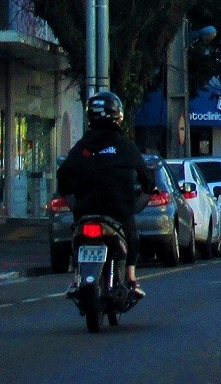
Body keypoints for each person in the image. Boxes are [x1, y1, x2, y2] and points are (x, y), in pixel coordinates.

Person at [57, 91, 153, 300]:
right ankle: (131, 277)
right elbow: (145, 175)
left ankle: (76, 278)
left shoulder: (82, 146)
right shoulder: (125, 146)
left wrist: (70, 194)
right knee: (132, 235)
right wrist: (146, 189)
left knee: (76, 236)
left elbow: (63, 174)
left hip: (85, 209)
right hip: (118, 210)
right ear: (118, 116)